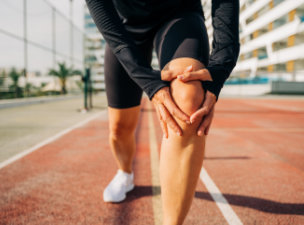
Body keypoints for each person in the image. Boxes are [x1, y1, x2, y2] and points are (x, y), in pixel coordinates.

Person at [85, 0, 240, 224]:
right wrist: (150, 83)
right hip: (124, 26)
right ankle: (125, 173)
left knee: (188, 98)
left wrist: (219, 69)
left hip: (179, 13)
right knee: (119, 128)